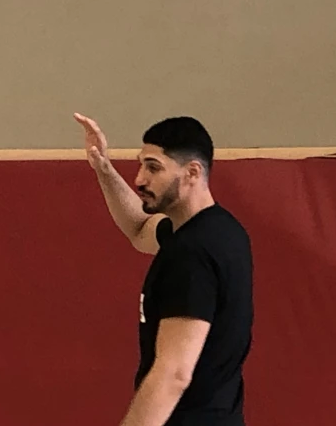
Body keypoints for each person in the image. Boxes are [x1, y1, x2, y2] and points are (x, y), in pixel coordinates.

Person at [74, 113, 254, 426]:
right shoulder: (220, 230)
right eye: (141, 164)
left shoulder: (191, 254)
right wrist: (103, 168)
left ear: (192, 172)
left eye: (154, 168)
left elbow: (174, 373)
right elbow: (140, 228)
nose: (140, 178)